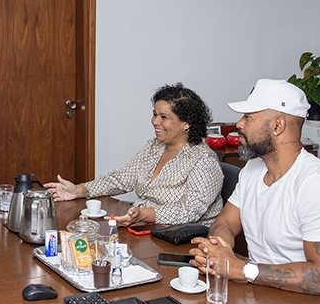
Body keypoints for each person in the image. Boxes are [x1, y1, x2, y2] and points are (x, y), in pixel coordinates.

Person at [190, 79, 320, 304]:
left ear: (277, 125)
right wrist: (217, 250)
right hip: (272, 302)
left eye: (249, 117)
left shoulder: (316, 184)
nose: (239, 124)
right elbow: (226, 222)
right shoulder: (254, 169)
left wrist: (240, 269)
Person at [45, 82, 223, 227]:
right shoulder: (155, 146)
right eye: (154, 114)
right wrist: (78, 190)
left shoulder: (204, 160)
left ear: (187, 123)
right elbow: (122, 178)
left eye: (163, 117)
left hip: (182, 238)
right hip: (145, 227)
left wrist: (142, 215)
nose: (155, 122)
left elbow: (189, 210)